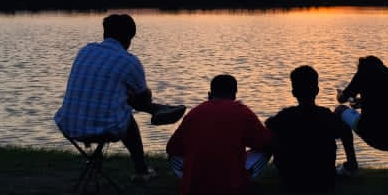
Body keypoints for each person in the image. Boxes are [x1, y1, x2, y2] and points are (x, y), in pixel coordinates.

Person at [54, 13, 186, 180]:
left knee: (116, 97)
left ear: (105, 33)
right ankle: (141, 169)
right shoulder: (129, 61)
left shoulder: (85, 51)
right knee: (128, 116)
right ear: (130, 37)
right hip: (102, 129)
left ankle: (157, 110)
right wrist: (145, 99)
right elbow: (143, 99)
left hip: (68, 124)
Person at [166, 74, 272, 195]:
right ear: (234, 95)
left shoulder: (194, 112)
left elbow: (172, 148)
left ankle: (190, 179)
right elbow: (266, 142)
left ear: (209, 95)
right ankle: (243, 179)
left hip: (195, 186)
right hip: (231, 185)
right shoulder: (243, 111)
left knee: (173, 156)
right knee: (266, 151)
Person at [266, 65, 358, 193]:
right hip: (324, 180)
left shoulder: (285, 116)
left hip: (291, 180)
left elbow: (268, 125)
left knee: (273, 131)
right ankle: (351, 165)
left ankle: (281, 167)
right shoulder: (326, 116)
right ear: (317, 90)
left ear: (293, 93)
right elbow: (344, 131)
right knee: (344, 127)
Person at [334, 56, 388, 178]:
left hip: (375, 134)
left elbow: (342, 99)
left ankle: (351, 166)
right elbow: (386, 102)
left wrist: (340, 93)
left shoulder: (363, 75)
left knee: (339, 110)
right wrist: (363, 102)